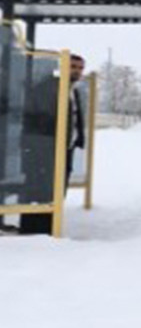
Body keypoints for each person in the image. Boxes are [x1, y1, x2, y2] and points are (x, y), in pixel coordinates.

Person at [18, 53, 86, 234]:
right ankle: (34, 230)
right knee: (39, 189)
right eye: (73, 66)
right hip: (44, 149)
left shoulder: (73, 90)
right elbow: (38, 118)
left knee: (57, 189)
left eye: (80, 68)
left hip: (65, 148)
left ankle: (49, 226)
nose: (77, 71)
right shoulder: (48, 88)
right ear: (63, 66)